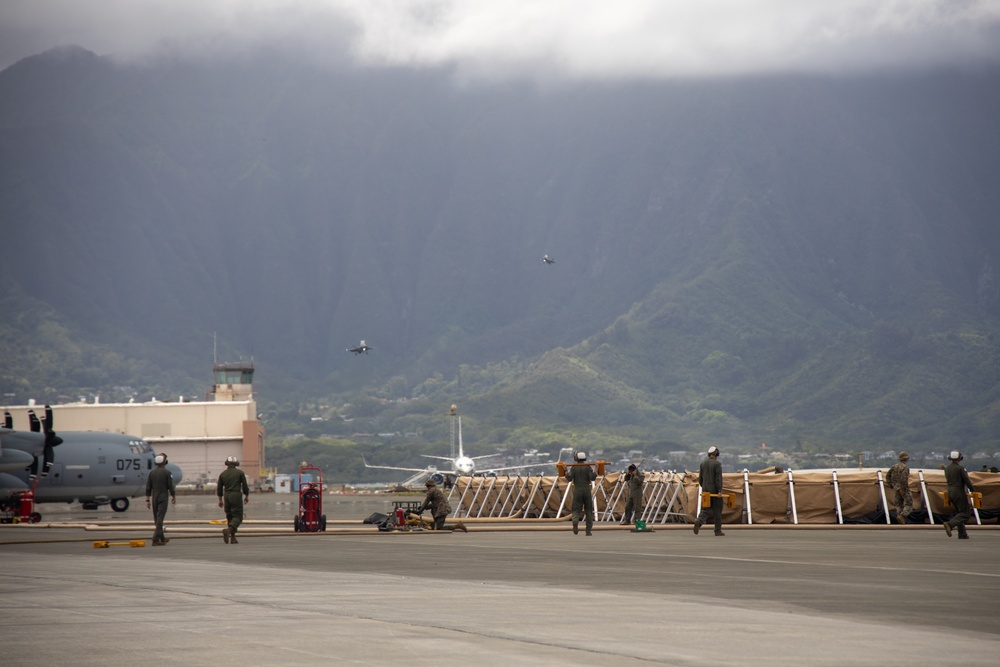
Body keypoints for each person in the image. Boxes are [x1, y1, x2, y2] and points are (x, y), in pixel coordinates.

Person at [145, 453, 176, 545]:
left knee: (156, 518)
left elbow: (148, 487)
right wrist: (173, 496)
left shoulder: (151, 473)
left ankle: (162, 538)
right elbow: (171, 487)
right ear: (164, 462)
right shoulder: (167, 473)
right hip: (163, 496)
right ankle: (155, 539)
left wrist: (147, 500)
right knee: (160, 518)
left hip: (154, 497)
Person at [943, 450, 975, 540]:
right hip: (959, 492)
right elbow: (966, 480)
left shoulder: (947, 468)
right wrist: (972, 490)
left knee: (959, 513)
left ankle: (962, 534)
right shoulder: (960, 468)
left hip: (950, 492)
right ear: (960, 458)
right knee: (965, 513)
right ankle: (950, 524)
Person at [217, 456, 249, 544]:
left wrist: (220, 500)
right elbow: (245, 486)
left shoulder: (222, 474)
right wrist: (246, 496)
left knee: (230, 516)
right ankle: (229, 530)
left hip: (226, 496)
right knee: (238, 517)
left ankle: (233, 538)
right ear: (236, 464)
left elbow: (219, 488)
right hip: (236, 495)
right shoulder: (240, 473)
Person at [694, 446, 725, 536]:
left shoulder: (703, 464)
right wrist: (719, 490)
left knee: (705, 509)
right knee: (717, 511)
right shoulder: (717, 464)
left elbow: (700, 479)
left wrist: (704, 487)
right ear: (716, 454)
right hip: (715, 491)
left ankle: (699, 521)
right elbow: (718, 479)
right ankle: (717, 530)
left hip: (705, 490)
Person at [565, 451, 597, 536]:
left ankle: (575, 520)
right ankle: (588, 530)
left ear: (577, 458)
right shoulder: (587, 467)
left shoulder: (574, 468)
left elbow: (569, 478)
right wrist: (596, 468)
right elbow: (593, 478)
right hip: (587, 489)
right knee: (589, 510)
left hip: (577, 489)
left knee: (576, 508)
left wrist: (565, 470)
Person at [887, 451, 913, 524]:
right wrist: (902, 489)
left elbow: (888, 475)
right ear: (906, 459)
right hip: (904, 488)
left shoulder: (894, 466)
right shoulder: (905, 468)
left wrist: (891, 485)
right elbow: (903, 479)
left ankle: (899, 517)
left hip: (896, 488)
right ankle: (902, 516)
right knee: (909, 504)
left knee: (898, 504)